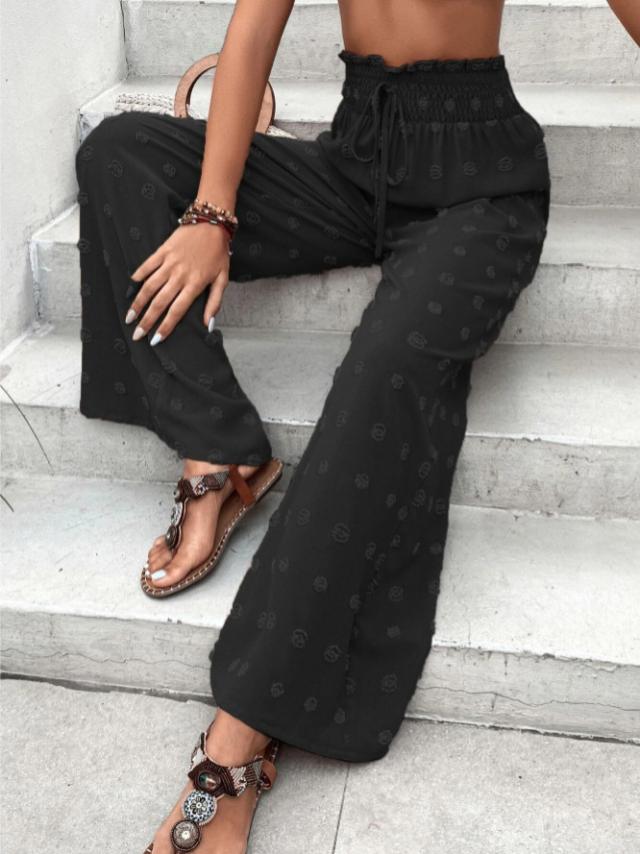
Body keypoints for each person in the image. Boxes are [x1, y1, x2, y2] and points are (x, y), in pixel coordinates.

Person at [74, 0, 639, 851]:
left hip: (481, 186)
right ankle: (218, 448)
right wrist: (212, 212)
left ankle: (240, 740)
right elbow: (252, 32)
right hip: (356, 159)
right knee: (120, 153)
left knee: (383, 372)